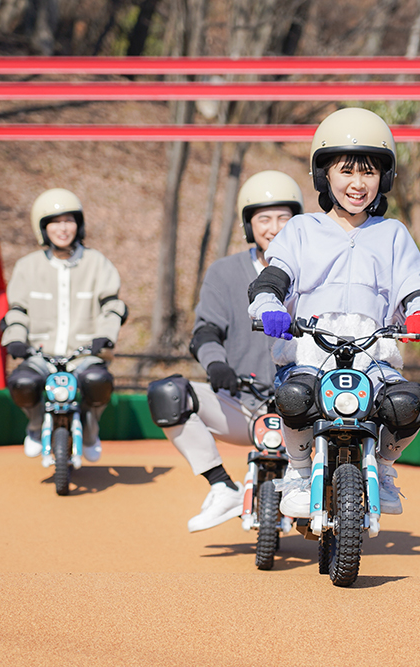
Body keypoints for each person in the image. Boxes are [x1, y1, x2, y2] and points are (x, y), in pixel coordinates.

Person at [247, 107, 420, 519]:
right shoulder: (300, 230)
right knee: (294, 396)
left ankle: (384, 469)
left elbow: (416, 285)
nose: (358, 184)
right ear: (325, 175)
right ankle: (300, 472)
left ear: (383, 178)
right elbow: (274, 277)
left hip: (374, 355)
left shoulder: (392, 234)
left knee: (407, 404)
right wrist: (269, 308)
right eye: (347, 172)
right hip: (310, 350)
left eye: (369, 173)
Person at [147, 170, 304, 532]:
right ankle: (222, 486)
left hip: (304, 408)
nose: (275, 227)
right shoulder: (223, 272)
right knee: (168, 394)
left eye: (284, 217)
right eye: (263, 218)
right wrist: (217, 365)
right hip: (243, 401)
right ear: (249, 225)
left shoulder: (315, 271)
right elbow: (205, 332)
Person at [1, 188, 128, 463]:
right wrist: (15, 338)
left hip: (83, 353)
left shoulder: (98, 263)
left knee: (98, 381)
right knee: (22, 383)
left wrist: (105, 337)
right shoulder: (27, 266)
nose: (62, 228)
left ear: (79, 224)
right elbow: (17, 310)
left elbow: (112, 306)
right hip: (40, 354)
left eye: (68, 220)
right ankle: (36, 425)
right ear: (43, 227)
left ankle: (91, 428)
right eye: (54, 222)